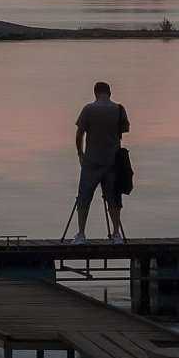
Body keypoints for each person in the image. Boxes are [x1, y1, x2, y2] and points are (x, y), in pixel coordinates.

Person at [73, 80, 129, 243]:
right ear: (109, 93)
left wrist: (80, 153)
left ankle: (81, 234)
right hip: (112, 162)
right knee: (113, 198)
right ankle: (116, 234)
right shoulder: (119, 109)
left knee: (84, 197)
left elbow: (79, 134)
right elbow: (123, 130)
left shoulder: (88, 109)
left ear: (95, 93)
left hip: (91, 161)